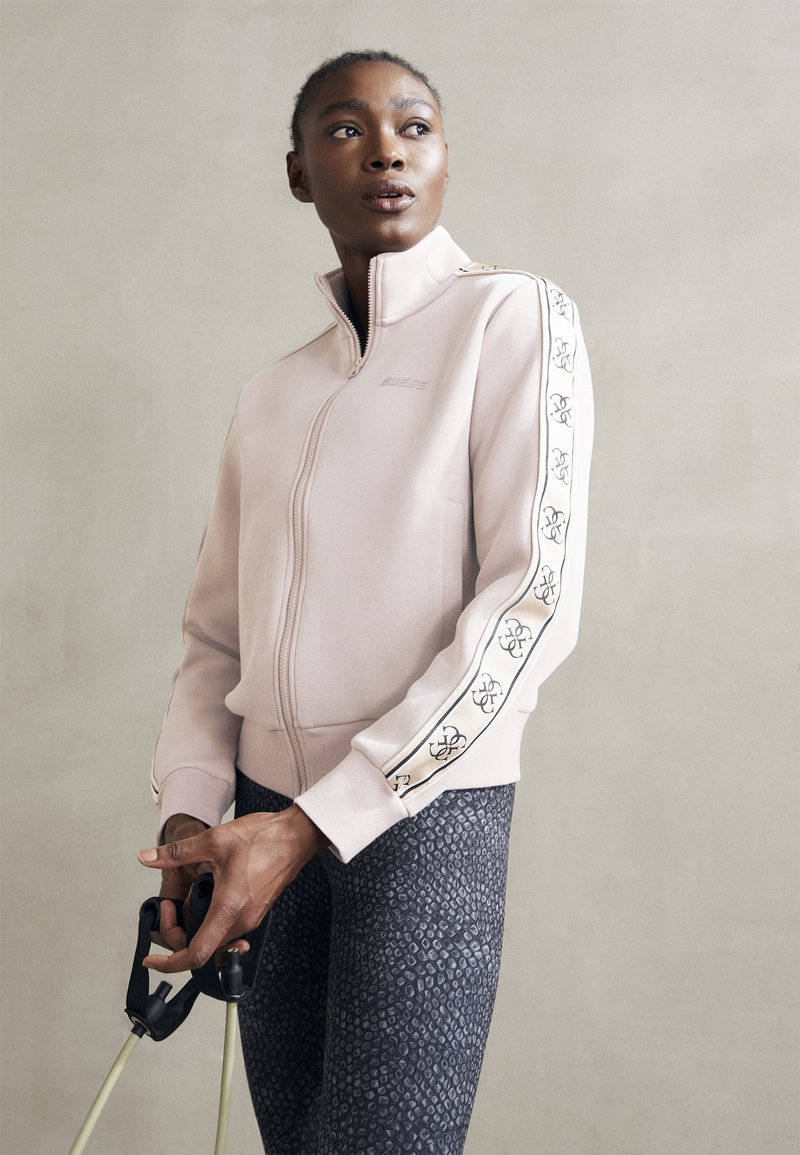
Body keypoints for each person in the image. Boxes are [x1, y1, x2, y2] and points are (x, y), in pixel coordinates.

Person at [137, 49, 594, 1154]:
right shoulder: (272, 393)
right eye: (345, 130)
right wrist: (192, 816)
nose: (387, 149)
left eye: (414, 127)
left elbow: (528, 602)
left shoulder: (513, 319)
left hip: (423, 817)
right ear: (299, 172)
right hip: (258, 818)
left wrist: (315, 823)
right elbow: (215, 635)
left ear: (443, 159)